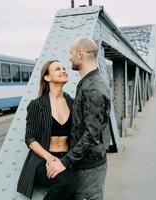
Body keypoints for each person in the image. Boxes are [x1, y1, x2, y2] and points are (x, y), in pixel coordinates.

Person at [47, 38, 111, 200]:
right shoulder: (87, 83)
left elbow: (91, 135)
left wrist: (64, 162)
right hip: (86, 164)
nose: (69, 57)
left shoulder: (93, 87)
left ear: (80, 54)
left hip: (89, 169)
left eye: (71, 53)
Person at [17, 60, 77, 200]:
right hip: (43, 160)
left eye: (63, 68)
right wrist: (50, 158)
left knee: (70, 194)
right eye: (57, 69)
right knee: (68, 183)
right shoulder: (36, 105)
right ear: (47, 77)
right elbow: (30, 138)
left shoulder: (72, 103)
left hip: (66, 159)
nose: (63, 70)